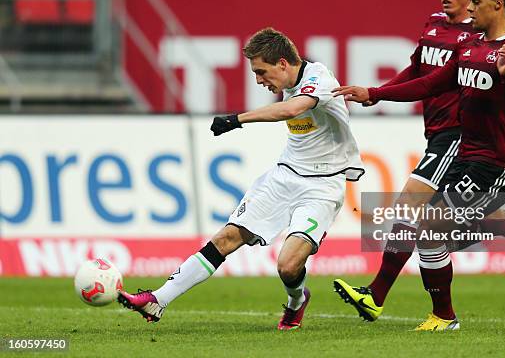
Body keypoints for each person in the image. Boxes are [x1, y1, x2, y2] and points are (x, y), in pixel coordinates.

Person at [333, 0, 505, 331]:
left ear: (497, 5)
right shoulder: (469, 46)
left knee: (426, 226)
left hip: (498, 164)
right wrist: (374, 94)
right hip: (466, 157)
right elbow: (430, 82)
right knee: (435, 232)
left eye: (475, 1)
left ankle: (431, 312)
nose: (469, 8)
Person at [118, 27, 365, 330]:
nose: (259, 80)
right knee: (226, 237)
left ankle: (296, 300)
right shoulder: (290, 82)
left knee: (288, 266)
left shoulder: (320, 80)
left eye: (262, 72)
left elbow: (292, 109)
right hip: (285, 175)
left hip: (323, 186)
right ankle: (159, 299)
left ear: (283, 64)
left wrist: (237, 119)